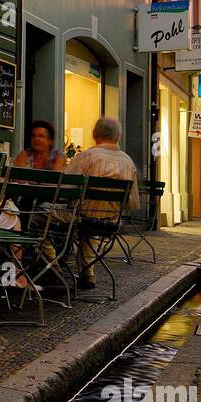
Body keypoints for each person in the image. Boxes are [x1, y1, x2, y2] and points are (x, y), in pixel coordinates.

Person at [64, 116, 140, 289]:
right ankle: (88, 272)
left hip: (81, 217)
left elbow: (64, 187)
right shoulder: (128, 162)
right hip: (111, 221)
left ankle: (51, 265)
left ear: (94, 134)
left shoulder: (87, 156)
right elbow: (132, 202)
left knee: (40, 214)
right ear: (117, 137)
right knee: (91, 225)